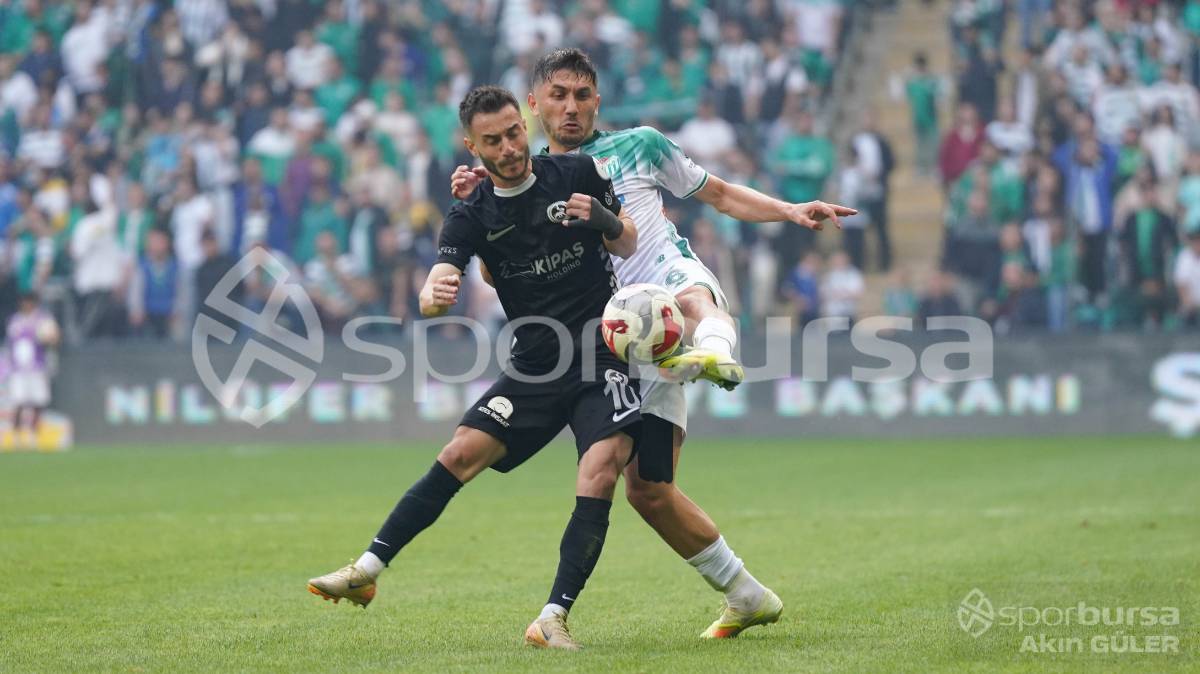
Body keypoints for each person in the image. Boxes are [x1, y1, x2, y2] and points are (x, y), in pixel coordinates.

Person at [451, 48, 854, 639]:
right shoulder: (523, 178)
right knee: (649, 490)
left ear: (597, 102)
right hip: (619, 339)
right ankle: (747, 595)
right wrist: (478, 209)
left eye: (582, 95)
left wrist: (789, 210)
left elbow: (718, 194)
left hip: (666, 287)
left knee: (690, 299)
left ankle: (717, 350)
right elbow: (496, 272)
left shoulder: (639, 144)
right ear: (534, 105)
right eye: (557, 96)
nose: (571, 107)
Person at [307, 86, 642, 651]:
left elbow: (628, 242)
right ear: (472, 145)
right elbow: (436, 292)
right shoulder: (471, 213)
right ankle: (365, 571)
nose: (510, 147)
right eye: (494, 140)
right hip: (535, 366)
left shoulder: (576, 171)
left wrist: (606, 217)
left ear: (525, 123)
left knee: (602, 468)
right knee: (459, 452)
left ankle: (553, 617)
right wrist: (434, 292)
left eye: (514, 132)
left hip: (601, 353)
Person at [4, 292, 59, 449]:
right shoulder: (15, 320)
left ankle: (34, 436)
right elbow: (11, 344)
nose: (27, 305)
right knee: (18, 403)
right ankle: (15, 438)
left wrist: (50, 338)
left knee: (38, 403)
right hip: (18, 370)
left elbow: (54, 339)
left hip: (37, 368)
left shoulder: (43, 320)